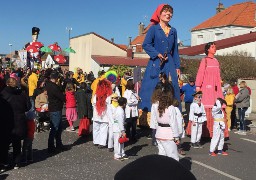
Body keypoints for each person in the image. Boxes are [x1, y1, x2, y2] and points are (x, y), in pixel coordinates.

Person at [139, 4, 181, 114]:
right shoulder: (153, 29)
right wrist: (157, 54)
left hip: (170, 63)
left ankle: (172, 115)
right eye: (166, 11)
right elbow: (146, 44)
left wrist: (177, 67)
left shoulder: (173, 31)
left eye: (170, 12)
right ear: (159, 13)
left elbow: (175, 51)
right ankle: (149, 116)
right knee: (153, 88)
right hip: (156, 63)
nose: (168, 14)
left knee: (171, 87)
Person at [187, 42, 226, 138]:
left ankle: (216, 132)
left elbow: (218, 75)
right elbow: (200, 74)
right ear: (208, 49)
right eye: (212, 47)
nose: (214, 48)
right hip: (206, 88)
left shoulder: (216, 61)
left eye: (215, 47)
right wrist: (198, 87)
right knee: (203, 107)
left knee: (218, 106)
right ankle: (199, 133)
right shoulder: (205, 60)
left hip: (216, 89)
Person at [0, 78, 31, 169]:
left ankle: (4, 163)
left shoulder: (3, 94)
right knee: (17, 143)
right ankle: (16, 162)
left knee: (4, 143)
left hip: (6, 121)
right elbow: (28, 107)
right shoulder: (22, 93)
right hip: (19, 121)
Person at [155, 90, 179, 161]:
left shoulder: (158, 107)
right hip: (168, 135)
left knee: (162, 156)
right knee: (173, 157)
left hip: (159, 134)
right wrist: (176, 136)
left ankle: (162, 171)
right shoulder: (170, 108)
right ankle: (173, 171)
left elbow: (156, 121)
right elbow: (173, 123)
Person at [45, 72, 66, 153]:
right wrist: (64, 97)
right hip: (55, 108)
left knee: (59, 127)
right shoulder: (53, 87)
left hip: (54, 107)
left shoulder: (49, 85)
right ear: (55, 78)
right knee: (55, 127)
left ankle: (58, 144)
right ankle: (51, 146)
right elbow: (61, 96)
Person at [92, 79, 112, 148]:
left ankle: (96, 141)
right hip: (104, 115)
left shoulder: (96, 95)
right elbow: (109, 105)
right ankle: (102, 143)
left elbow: (93, 103)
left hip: (96, 114)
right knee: (103, 129)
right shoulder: (108, 96)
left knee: (96, 128)